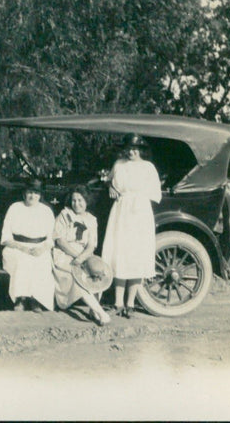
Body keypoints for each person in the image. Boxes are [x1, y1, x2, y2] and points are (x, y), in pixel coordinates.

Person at [102, 133, 162, 319]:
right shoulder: (119, 164)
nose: (131, 152)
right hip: (121, 210)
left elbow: (154, 192)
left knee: (136, 255)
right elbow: (107, 180)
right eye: (128, 149)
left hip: (140, 213)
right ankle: (118, 302)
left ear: (141, 150)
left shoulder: (148, 167)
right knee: (120, 253)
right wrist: (111, 186)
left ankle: (131, 303)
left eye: (135, 149)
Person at [52, 186, 112, 326]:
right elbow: (60, 241)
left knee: (98, 272)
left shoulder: (91, 219)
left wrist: (82, 257)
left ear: (86, 201)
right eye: (73, 200)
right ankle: (101, 313)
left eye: (80, 200)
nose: (76, 204)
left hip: (84, 254)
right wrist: (76, 257)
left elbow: (91, 245)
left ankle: (94, 311)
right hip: (65, 254)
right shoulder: (64, 215)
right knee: (79, 279)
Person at [0, 178, 56, 313]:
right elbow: (6, 237)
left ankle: (36, 299)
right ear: (24, 193)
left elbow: (51, 239)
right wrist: (22, 248)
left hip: (40, 247)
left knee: (41, 260)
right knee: (22, 260)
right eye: (30, 192)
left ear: (40, 195)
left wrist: (42, 248)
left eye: (36, 193)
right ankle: (20, 299)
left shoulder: (46, 211)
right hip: (16, 246)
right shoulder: (15, 208)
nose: (32, 196)